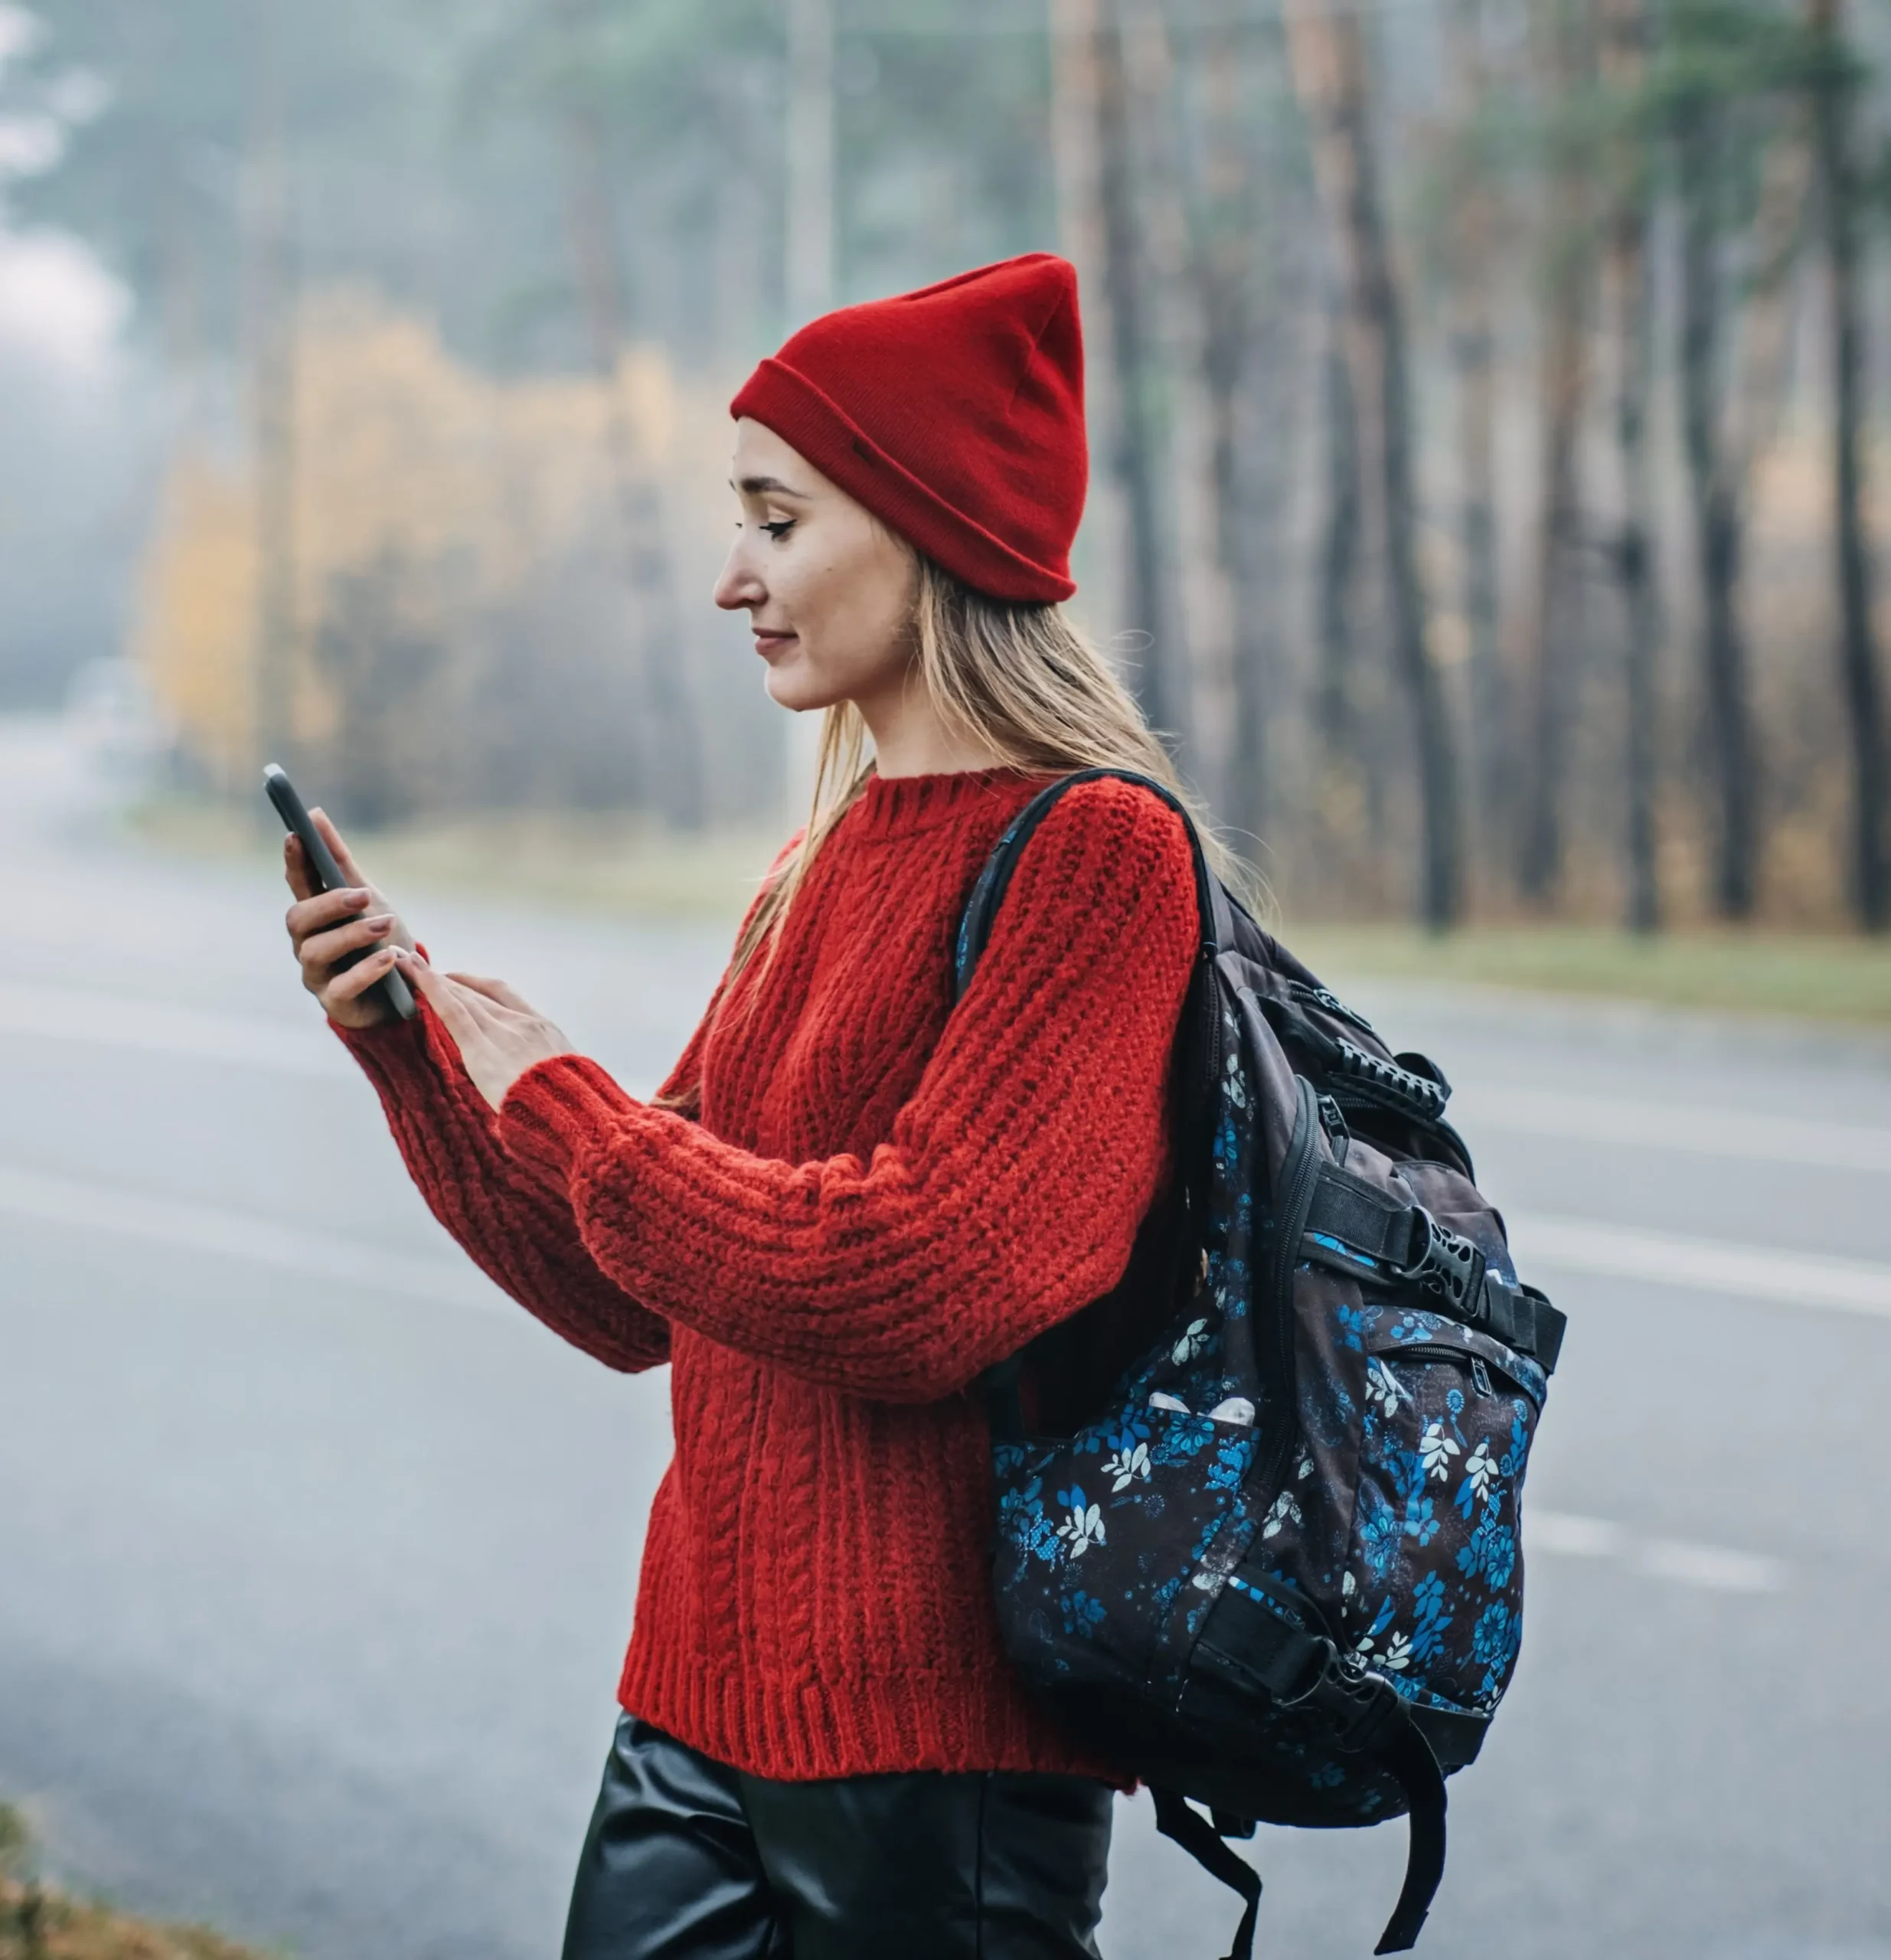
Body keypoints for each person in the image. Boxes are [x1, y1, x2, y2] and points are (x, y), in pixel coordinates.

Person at [279, 253, 1246, 1959]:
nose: (732, 576)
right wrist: (417, 1051)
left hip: (933, 1764)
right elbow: (631, 1286)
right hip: (692, 1710)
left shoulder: (1097, 852)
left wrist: (572, 1106)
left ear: (927, 526)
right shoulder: (817, 866)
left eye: (777, 521)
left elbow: (923, 1277)